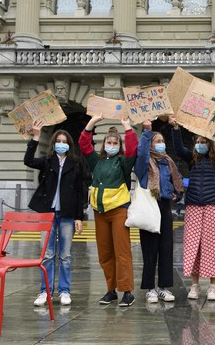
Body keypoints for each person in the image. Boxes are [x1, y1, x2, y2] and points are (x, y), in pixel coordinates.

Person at [169, 112, 215, 301]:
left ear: (209, 144)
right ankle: (194, 285)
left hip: (213, 207)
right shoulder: (191, 159)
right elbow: (178, 148)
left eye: (203, 142)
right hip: (193, 207)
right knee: (194, 247)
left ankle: (213, 286)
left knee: (212, 246)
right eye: (198, 142)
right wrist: (176, 128)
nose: (200, 145)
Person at [24, 121, 86, 307]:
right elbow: (28, 161)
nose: (61, 144)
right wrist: (35, 137)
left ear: (69, 145)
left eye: (64, 141)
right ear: (53, 143)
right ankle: (45, 291)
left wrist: (79, 217)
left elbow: (79, 191)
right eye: (58, 140)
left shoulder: (75, 163)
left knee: (66, 256)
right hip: (48, 214)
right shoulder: (47, 161)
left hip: (67, 214)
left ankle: (65, 291)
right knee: (47, 255)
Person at [79, 113, 137, 307]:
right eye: (108, 142)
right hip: (100, 212)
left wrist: (127, 127)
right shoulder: (97, 161)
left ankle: (127, 291)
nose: (111, 145)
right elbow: (84, 144)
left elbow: (132, 151)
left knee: (122, 252)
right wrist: (93, 122)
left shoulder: (123, 162)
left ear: (118, 146)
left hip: (119, 210)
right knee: (104, 253)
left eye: (114, 142)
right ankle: (111, 290)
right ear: (103, 145)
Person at [134, 119, 185, 304]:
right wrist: (147, 131)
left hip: (164, 206)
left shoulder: (168, 161)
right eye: (157, 140)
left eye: (162, 140)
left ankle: (163, 287)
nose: (160, 143)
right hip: (149, 205)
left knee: (165, 248)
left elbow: (177, 183)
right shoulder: (144, 162)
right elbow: (140, 153)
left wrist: (177, 196)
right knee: (149, 249)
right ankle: (150, 288)